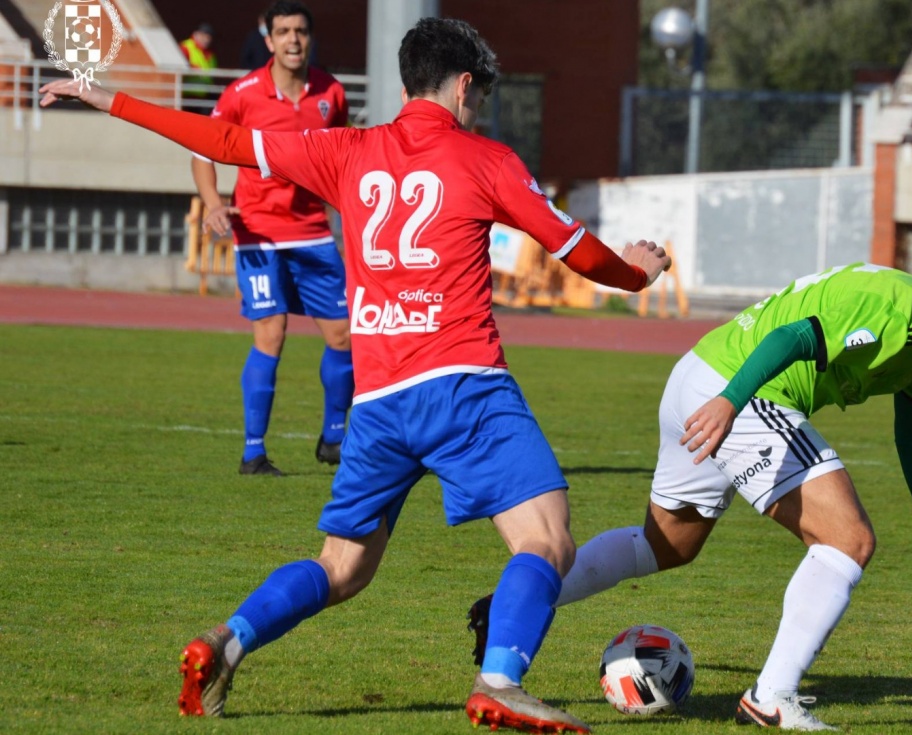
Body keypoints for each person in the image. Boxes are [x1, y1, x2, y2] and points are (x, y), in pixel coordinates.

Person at [40, 16, 670, 735]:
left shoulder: (344, 150)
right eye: (479, 95)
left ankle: (225, 641)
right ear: (464, 86)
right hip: (463, 382)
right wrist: (637, 272)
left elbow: (221, 141)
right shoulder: (487, 160)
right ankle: (499, 679)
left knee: (341, 566)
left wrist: (109, 98)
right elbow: (578, 250)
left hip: (378, 400)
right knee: (548, 541)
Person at [467, 266, 912, 730]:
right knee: (849, 539)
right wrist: (730, 401)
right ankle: (771, 698)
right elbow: (793, 337)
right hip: (738, 390)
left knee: (663, 547)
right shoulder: (898, 311)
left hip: (699, 376)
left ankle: (510, 605)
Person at [192, 1, 352, 476]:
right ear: (269, 40)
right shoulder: (243, 94)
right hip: (258, 232)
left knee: (344, 336)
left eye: (300, 30)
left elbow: (344, 158)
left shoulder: (332, 93)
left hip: (312, 233)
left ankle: (333, 440)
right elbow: (204, 151)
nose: (293, 39)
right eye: (283, 31)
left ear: (310, 37)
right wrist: (214, 202)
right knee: (272, 332)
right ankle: (253, 453)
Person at [179, 23, 218, 107]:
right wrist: (193, 69)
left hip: (204, 96)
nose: (207, 40)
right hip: (188, 96)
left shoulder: (210, 55)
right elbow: (178, 66)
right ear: (196, 34)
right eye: (204, 36)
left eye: (209, 37)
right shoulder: (186, 47)